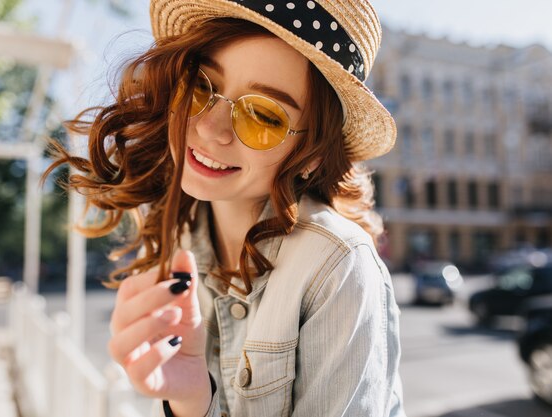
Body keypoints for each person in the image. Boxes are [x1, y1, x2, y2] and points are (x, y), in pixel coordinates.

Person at [45, 1, 405, 415]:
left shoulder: (336, 265)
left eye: (264, 117)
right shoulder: (174, 235)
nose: (209, 128)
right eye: (200, 86)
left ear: (313, 156)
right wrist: (190, 400)